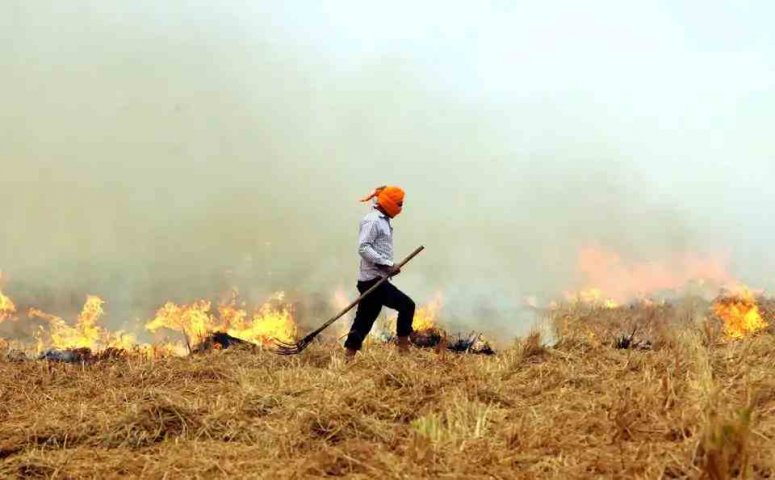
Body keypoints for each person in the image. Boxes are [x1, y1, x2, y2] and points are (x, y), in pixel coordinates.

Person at [344, 185, 415, 359]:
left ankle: (348, 356)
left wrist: (387, 267)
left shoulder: (383, 220)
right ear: (389, 203)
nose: (400, 208)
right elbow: (363, 248)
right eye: (399, 204)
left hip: (375, 279)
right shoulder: (373, 220)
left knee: (364, 320)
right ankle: (404, 350)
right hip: (373, 281)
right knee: (407, 305)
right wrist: (387, 264)